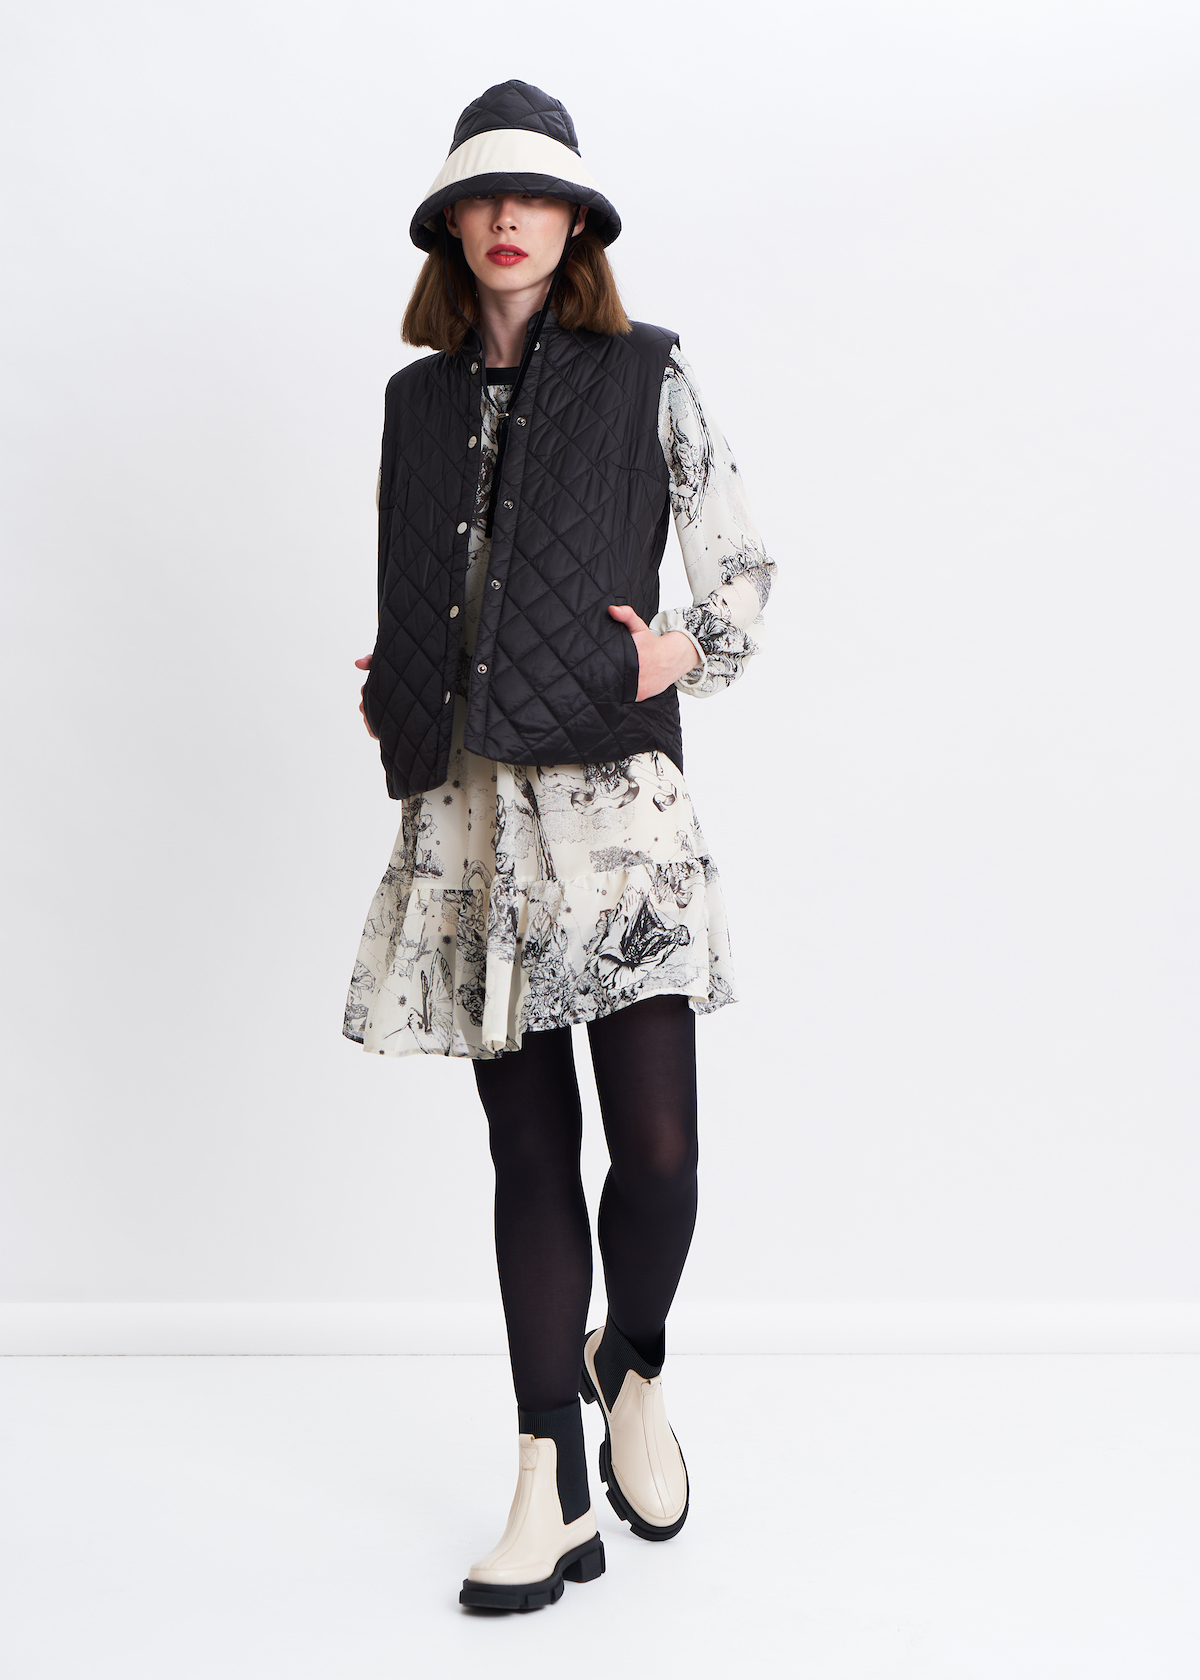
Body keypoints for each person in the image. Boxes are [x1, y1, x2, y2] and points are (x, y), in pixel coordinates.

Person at [344, 80, 774, 1611]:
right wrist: (399, 676)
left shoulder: (647, 372)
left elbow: (741, 565)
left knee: (658, 1155)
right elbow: (427, 589)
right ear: (453, 226)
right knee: (526, 1152)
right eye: (484, 195)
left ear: (575, 221)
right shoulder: (413, 404)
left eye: (534, 195)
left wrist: (679, 650)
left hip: (616, 820)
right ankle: (548, 1480)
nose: (510, 217)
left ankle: (628, 1360)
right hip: (471, 823)